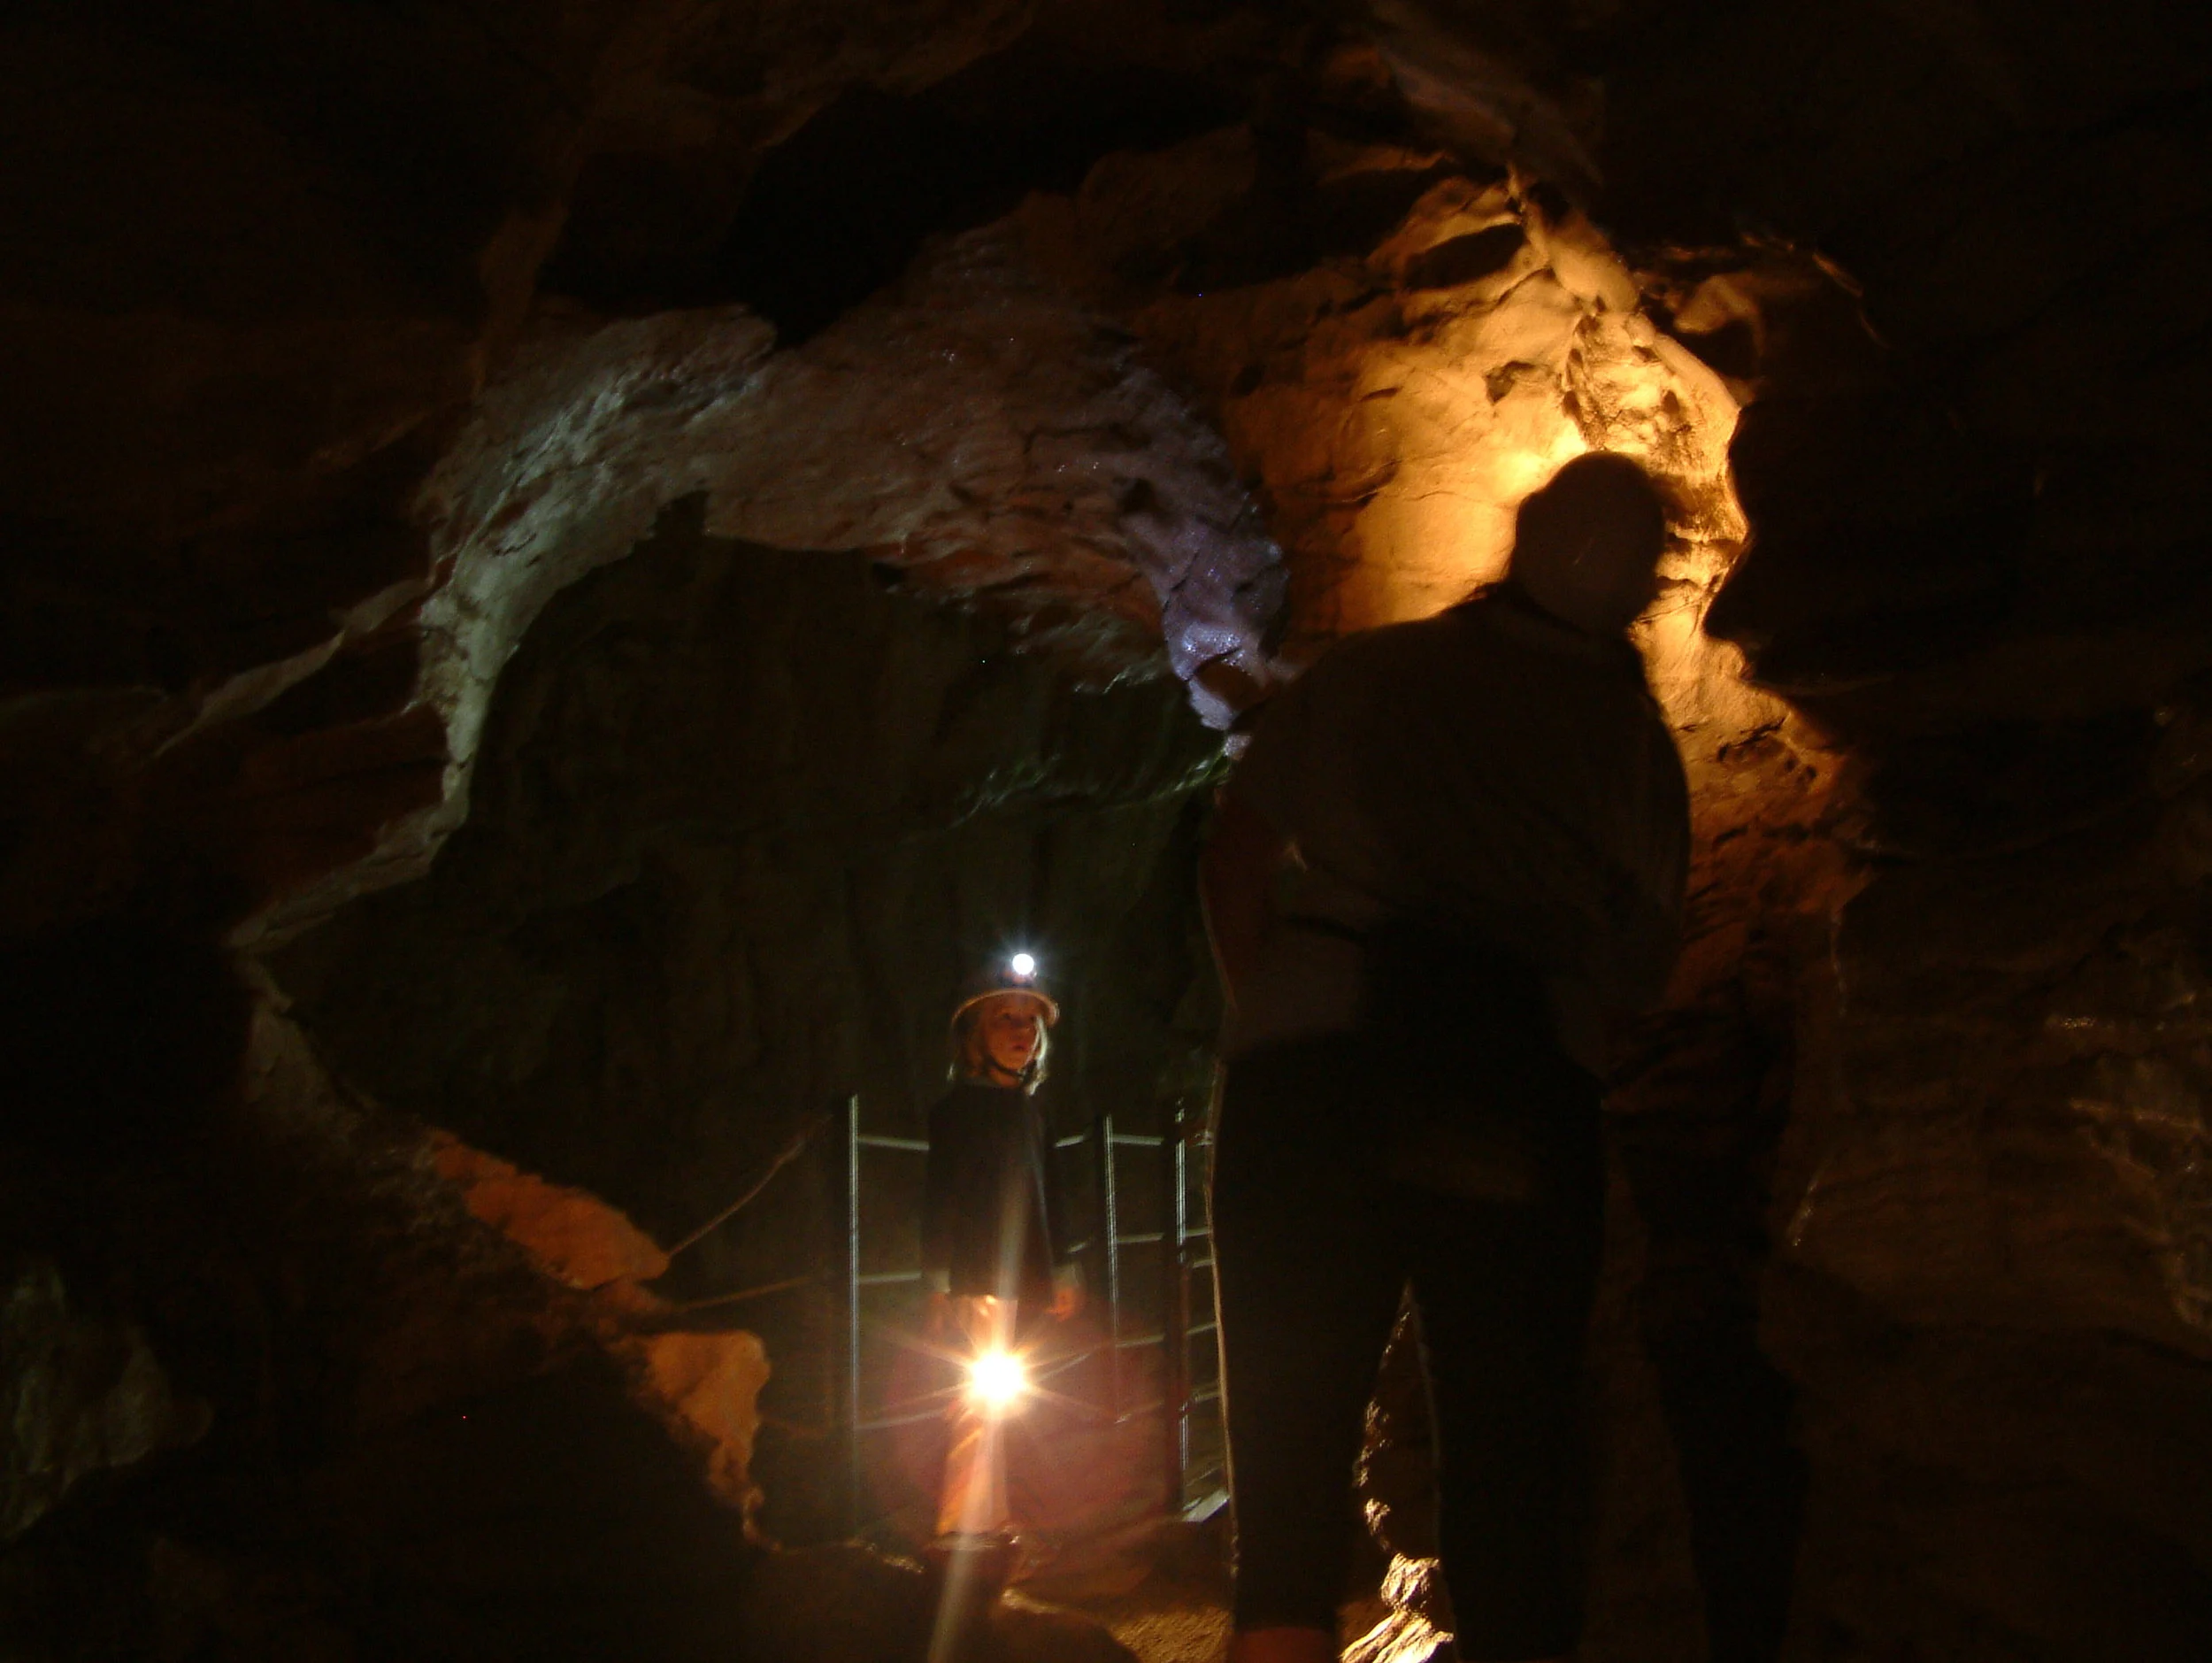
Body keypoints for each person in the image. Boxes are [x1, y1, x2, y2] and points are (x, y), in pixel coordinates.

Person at [1199, 452, 1690, 1663]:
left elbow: (1236, 852)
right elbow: (1639, 967)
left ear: (1519, 535)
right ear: (1641, 589)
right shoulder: (1630, 737)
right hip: (1518, 1084)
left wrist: (1279, 1015)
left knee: (1288, 1445)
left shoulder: (1372, 672)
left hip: (1314, 1059)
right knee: (1512, 1469)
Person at [920, 956, 1084, 1549]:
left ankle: (989, 1517)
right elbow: (940, 1197)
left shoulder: (1033, 1110)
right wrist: (937, 1279)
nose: (1021, 1030)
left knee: (1002, 1400)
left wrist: (1063, 1266)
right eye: (1004, 1019)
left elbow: (1054, 1189)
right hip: (977, 1274)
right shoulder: (958, 1112)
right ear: (973, 1036)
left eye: (1029, 1020)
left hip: (1021, 1273)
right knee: (979, 1399)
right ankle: (964, 1522)